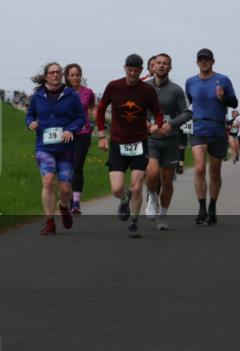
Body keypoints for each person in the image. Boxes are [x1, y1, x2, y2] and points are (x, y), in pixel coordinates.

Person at [96, 54, 164, 238]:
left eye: (136, 70)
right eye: (130, 69)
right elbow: (101, 110)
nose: (133, 73)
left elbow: (158, 112)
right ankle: (124, 199)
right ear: (124, 68)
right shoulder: (114, 86)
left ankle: (133, 223)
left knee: (137, 186)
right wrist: (102, 135)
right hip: (118, 143)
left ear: (142, 70)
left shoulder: (147, 91)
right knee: (117, 189)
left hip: (139, 143)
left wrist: (158, 124)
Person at [27, 63, 88, 235]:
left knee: (65, 189)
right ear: (45, 76)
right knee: (47, 182)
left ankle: (63, 207)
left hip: (66, 148)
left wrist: (71, 129)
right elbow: (30, 114)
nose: (55, 75)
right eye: (52, 73)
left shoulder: (71, 95)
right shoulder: (37, 96)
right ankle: (49, 222)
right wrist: (29, 123)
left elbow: (81, 118)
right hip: (44, 147)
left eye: (58, 72)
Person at [185, 48, 238, 226]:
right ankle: (201, 209)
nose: (204, 62)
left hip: (217, 129)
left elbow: (234, 102)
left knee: (214, 172)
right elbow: (188, 104)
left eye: (207, 59)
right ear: (197, 62)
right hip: (198, 128)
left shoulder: (223, 80)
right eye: (201, 59)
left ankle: (212, 207)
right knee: (199, 168)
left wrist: (223, 98)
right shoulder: (190, 82)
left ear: (213, 61)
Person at [144, 53, 192, 230]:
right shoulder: (144, 88)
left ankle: (162, 216)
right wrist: (147, 125)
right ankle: (151, 197)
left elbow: (187, 113)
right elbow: (137, 111)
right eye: (159, 63)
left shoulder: (176, 90)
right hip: (151, 139)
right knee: (152, 172)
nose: (162, 66)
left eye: (165, 63)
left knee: (167, 180)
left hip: (171, 140)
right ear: (153, 66)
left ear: (170, 67)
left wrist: (170, 125)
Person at [64, 63, 96, 215]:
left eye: (77, 75)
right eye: (72, 75)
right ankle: (68, 198)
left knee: (77, 166)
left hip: (83, 134)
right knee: (67, 168)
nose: (75, 78)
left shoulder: (88, 92)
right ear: (67, 77)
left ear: (81, 76)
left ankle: (76, 202)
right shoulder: (63, 93)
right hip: (65, 135)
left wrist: (91, 121)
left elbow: (91, 109)